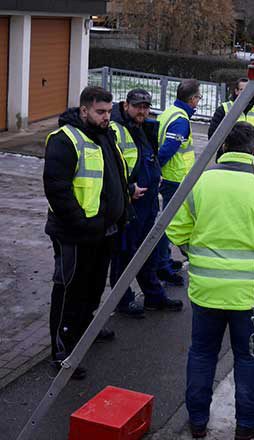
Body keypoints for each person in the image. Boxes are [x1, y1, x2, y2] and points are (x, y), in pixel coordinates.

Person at [166, 122, 254, 440]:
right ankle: (246, 423)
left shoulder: (199, 183)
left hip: (206, 290)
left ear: (221, 148)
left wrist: (198, 253)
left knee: (202, 354)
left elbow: (176, 230)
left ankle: (197, 421)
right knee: (248, 357)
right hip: (252, 294)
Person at [43, 86, 129, 379]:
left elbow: (114, 177)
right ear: (84, 110)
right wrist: (83, 223)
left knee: (92, 288)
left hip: (103, 231)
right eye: (100, 112)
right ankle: (62, 351)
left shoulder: (106, 136)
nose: (107, 117)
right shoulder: (65, 140)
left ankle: (84, 330)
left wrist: (123, 206)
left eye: (108, 111)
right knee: (70, 290)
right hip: (76, 234)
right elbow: (57, 189)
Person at [109, 88, 183, 317]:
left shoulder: (141, 127)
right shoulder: (115, 129)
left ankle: (154, 296)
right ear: (126, 105)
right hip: (130, 204)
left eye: (145, 107)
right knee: (125, 254)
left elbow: (147, 156)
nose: (142, 111)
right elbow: (110, 168)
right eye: (138, 106)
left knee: (146, 252)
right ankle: (122, 300)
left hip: (147, 201)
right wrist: (127, 190)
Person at [156, 79, 202, 285]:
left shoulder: (170, 112)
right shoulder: (181, 120)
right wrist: (156, 170)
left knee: (167, 222)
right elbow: (167, 150)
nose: (199, 101)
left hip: (172, 178)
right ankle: (162, 265)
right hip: (175, 180)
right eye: (198, 97)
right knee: (167, 225)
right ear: (191, 99)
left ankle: (164, 260)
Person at [208, 77, 254, 144]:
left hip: (250, 153)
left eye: (248, 90)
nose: (246, 93)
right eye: (242, 90)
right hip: (228, 153)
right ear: (236, 91)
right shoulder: (224, 109)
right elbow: (213, 134)